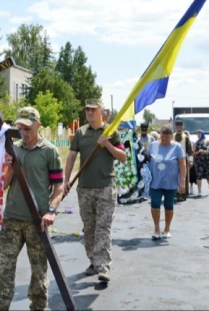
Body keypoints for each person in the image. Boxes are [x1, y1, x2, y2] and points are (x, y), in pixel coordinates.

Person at [0, 107, 64, 311]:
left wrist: (51, 211)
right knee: (5, 269)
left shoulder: (50, 152)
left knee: (39, 272)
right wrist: (10, 167)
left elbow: (59, 187)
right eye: (20, 126)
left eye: (27, 127)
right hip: (12, 219)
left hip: (36, 220)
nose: (23, 131)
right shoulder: (13, 149)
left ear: (38, 125)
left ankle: (38, 307)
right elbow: (3, 186)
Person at [64, 98, 126, 282]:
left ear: (101, 111)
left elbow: (122, 157)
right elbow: (71, 156)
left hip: (106, 187)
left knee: (103, 228)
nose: (90, 113)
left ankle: (104, 266)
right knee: (89, 229)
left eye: (93, 109)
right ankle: (93, 261)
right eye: (87, 110)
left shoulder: (110, 131)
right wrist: (66, 180)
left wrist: (107, 145)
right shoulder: (80, 133)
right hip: (84, 188)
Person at [146, 125, 186, 239]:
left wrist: (182, 182)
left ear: (171, 137)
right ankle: (157, 229)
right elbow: (146, 158)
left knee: (169, 205)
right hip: (155, 181)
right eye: (162, 137)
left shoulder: (177, 147)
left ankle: (167, 228)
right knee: (155, 203)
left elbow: (182, 165)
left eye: (167, 137)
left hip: (171, 182)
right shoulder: (153, 145)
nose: (164, 139)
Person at [173, 120, 193, 200]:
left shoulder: (186, 137)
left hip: (183, 160)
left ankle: (183, 194)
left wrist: (190, 161)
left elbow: (190, 151)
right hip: (174, 160)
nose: (179, 128)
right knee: (174, 177)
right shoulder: (172, 136)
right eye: (177, 127)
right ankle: (175, 194)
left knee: (184, 177)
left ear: (183, 127)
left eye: (180, 127)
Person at [193, 129, 209, 196]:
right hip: (199, 162)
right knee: (198, 176)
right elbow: (193, 152)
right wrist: (198, 152)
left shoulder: (208, 142)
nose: (198, 135)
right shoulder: (196, 143)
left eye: (200, 134)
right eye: (197, 134)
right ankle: (199, 191)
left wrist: (206, 152)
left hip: (207, 161)